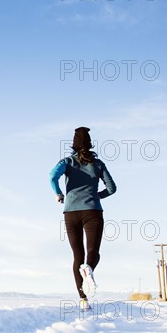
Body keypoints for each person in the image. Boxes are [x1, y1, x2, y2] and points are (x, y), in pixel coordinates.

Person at [50, 127, 117, 311]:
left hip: (70, 213)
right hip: (92, 211)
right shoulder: (98, 164)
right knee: (93, 252)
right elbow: (112, 188)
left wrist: (58, 194)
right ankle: (89, 268)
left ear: (73, 145)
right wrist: (97, 196)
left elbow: (52, 176)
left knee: (77, 256)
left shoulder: (67, 162)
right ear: (89, 143)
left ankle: (83, 300)